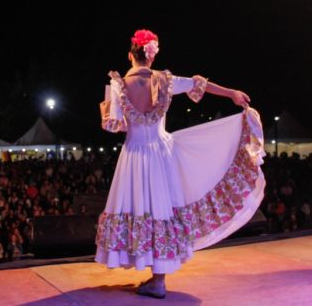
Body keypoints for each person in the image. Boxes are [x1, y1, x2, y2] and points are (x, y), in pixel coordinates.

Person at [95, 29, 266, 299]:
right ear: (151, 56)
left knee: (138, 207)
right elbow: (200, 85)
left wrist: (115, 108)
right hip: (162, 153)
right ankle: (158, 279)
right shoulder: (165, 80)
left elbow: (113, 126)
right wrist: (231, 92)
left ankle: (148, 271)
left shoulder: (117, 85)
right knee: (162, 209)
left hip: (134, 154)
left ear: (131, 55)